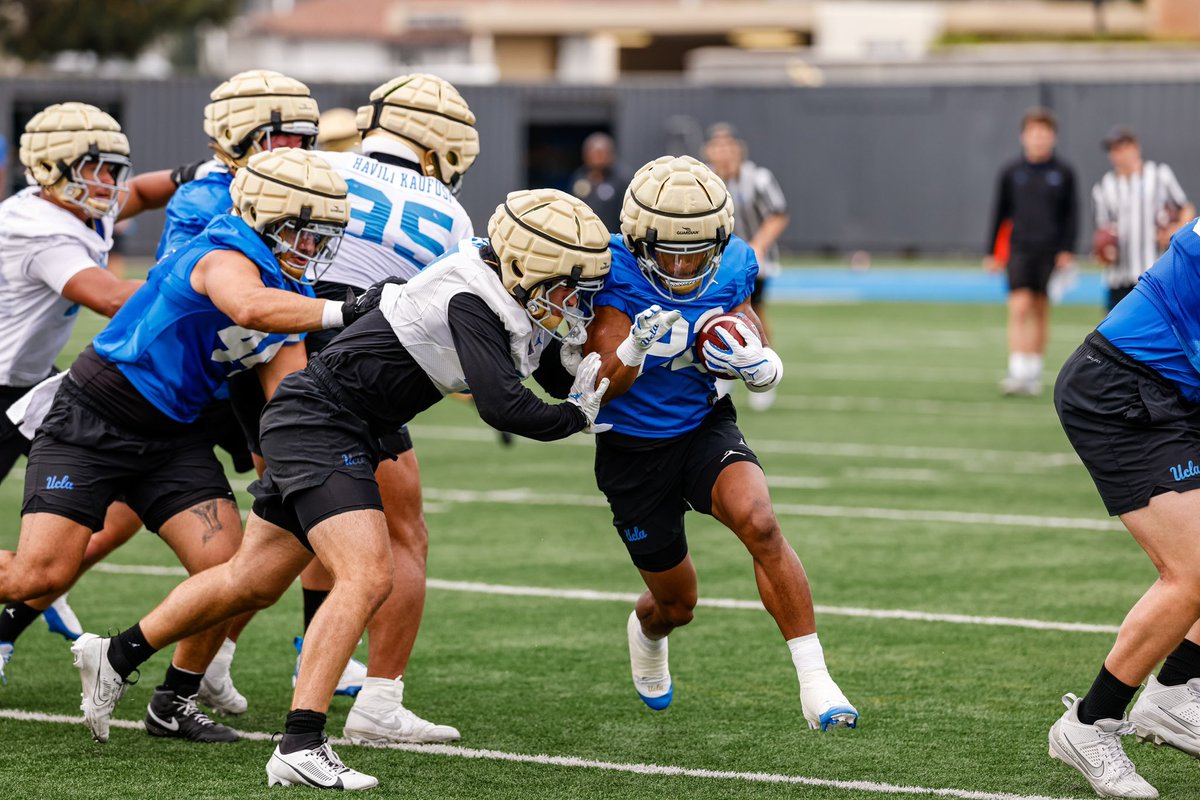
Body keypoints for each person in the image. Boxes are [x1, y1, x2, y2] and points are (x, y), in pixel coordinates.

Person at [72, 189, 658, 791]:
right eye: (567, 286)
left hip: (340, 420)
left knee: (251, 579)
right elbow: (506, 407)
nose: (575, 302)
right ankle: (300, 742)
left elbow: (560, 375)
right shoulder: (472, 296)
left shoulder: (505, 290)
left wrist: (630, 353)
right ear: (523, 267)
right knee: (368, 574)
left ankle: (114, 655)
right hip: (321, 420)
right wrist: (578, 417)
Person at [0, 147, 363, 743]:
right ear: (266, 217)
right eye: (301, 230)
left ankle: (173, 701)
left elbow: (287, 398)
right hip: (95, 417)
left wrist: (314, 458)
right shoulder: (224, 250)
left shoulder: (290, 290)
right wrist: (344, 310)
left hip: (173, 437)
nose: (310, 247)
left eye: (322, 235)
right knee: (41, 573)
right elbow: (248, 306)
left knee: (233, 575)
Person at [583, 155, 858, 731]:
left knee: (759, 521)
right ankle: (647, 632)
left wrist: (754, 355)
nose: (684, 264)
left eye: (697, 250)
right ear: (638, 238)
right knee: (677, 605)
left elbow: (740, 315)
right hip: (632, 447)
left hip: (703, 424)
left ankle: (816, 680)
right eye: (670, 250)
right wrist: (636, 348)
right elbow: (600, 386)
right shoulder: (610, 267)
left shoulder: (735, 260)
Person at [265, 72, 480, 744]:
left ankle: (168, 666)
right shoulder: (450, 213)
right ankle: (378, 699)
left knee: (265, 542)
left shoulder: (314, 165)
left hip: (260, 350)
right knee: (396, 533)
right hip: (349, 376)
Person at [0, 102, 183, 674]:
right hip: (2, 387)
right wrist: (209, 288)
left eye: (113, 168)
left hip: (27, 383)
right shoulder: (40, 228)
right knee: (40, 565)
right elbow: (109, 297)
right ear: (52, 169)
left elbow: (145, 193)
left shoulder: (71, 202)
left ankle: (12, 622)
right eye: (97, 170)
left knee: (123, 506)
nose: (111, 184)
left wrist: (194, 174)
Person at [1049, 210, 1200, 798]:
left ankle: (1174, 694)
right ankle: (1091, 724)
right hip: (1120, 389)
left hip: (1170, 390)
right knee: (1191, 573)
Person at [985, 107, 1078, 396]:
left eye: (1044, 133)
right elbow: (999, 212)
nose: (1039, 138)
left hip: (1050, 251)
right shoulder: (1012, 172)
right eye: (1033, 133)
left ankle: (1034, 371)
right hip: (1020, 249)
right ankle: (1017, 371)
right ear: (1024, 136)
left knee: (1039, 309)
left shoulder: (1063, 173)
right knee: (1019, 307)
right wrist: (992, 252)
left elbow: (1071, 214)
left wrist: (1066, 249)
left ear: (1053, 137)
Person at [704, 123, 789, 412]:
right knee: (713, 312)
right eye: (718, 147)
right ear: (709, 151)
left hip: (754, 261)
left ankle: (763, 365)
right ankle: (721, 371)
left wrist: (757, 246)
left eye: (729, 147)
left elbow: (777, 214)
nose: (724, 153)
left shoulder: (758, 178)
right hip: (715, 261)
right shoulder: (703, 178)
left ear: (739, 150)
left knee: (754, 311)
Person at [1091, 125, 1193, 311]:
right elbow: (1102, 230)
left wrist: (1175, 229)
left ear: (1135, 147)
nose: (1118, 154)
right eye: (1113, 150)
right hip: (1118, 277)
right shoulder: (1103, 187)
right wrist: (1103, 252)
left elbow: (1186, 208)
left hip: (1155, 273)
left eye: (1122, 148)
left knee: (1157, 335)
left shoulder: (1159, 175)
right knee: (1117, 338)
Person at [569, 132, 628, 232]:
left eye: (601, 153)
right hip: (584, 237)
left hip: (611, 239)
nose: (598, 158)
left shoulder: (620, 180)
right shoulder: (578, 178)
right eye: (594, 153)